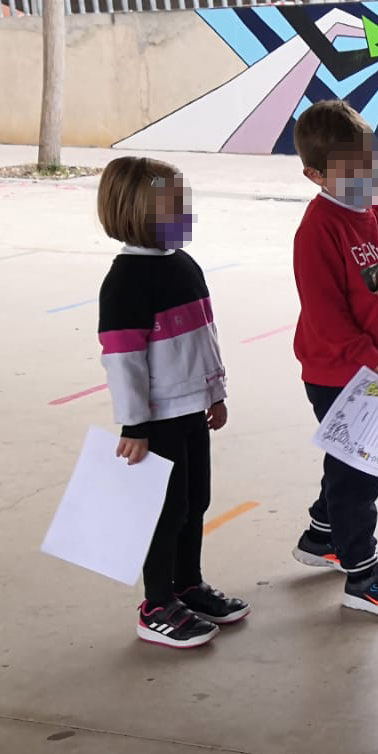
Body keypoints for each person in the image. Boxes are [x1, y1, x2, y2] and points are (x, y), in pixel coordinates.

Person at [95, 156, 248, 649]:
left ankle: (188, 585)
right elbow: (123, 361)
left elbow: (205, 338)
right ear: (140, 212)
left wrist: (215, 393)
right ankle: (156, 602)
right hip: (157, 418)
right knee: (166, 509)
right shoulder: (125, 282)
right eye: (176, 205)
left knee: (194, 500)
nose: (186, 212)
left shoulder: (184, 266)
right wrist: (133, 425)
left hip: (192, 409)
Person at [288, 99, 378, 616]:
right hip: (336, 371)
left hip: (369, 369)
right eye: (355, 170)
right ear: (315, 174)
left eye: (372, 163)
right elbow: (325, 316)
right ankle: (361, 573)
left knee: (347, 459)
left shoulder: (377, 216)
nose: (368, 176)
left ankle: (322, 534)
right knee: (362, 472)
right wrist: (376, 363)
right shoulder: (319, 229)